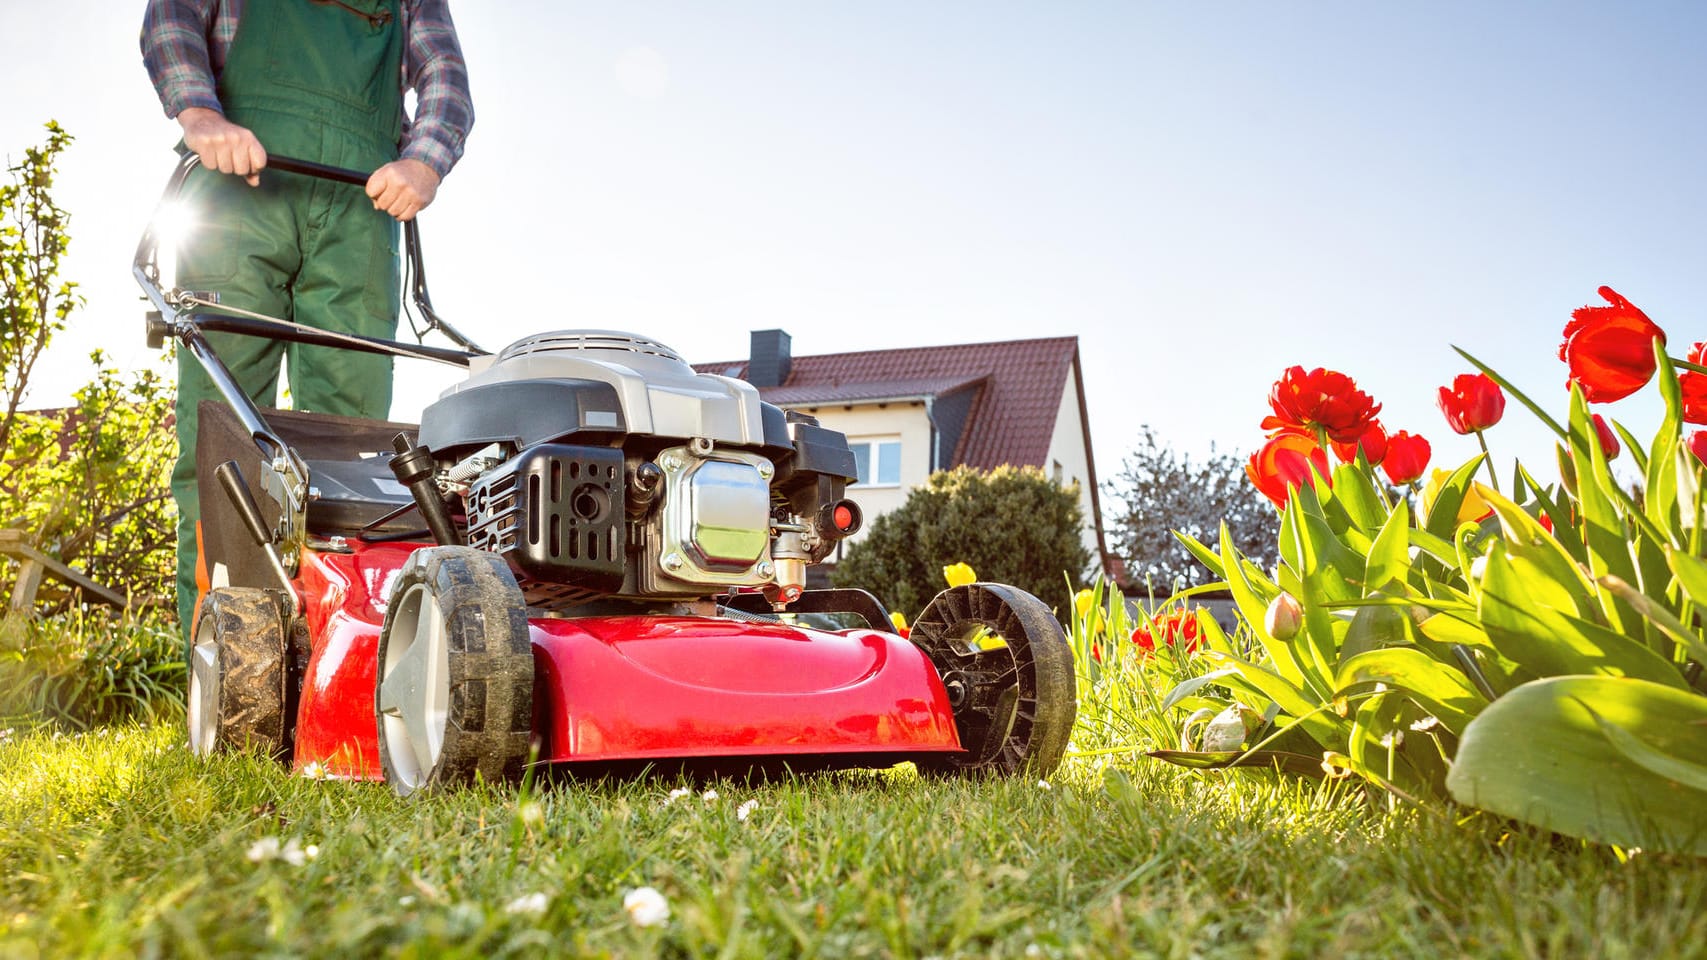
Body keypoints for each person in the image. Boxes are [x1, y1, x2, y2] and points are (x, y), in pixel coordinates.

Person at [140, 0, 474, 637]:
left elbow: (446, 78)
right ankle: (220, 668)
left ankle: (336, 658)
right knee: (223, 445)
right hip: (232, 198)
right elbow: (171, 17)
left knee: (358, 453)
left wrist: (424, 161)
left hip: (361, 210)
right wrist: (202, 115)